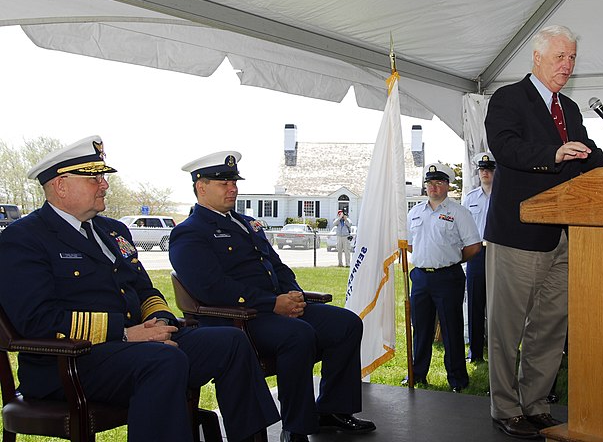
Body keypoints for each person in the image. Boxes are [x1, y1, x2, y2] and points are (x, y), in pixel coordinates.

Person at [0, 136, 277, 442]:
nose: (104, 185)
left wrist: (161, 323)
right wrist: (126, 334)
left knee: (231, 341)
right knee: (162, 362)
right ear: (61, 185)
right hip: (68, 363)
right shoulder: (24, 238)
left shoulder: (112, 230)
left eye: (102, 177)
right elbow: (37, 320)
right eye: (94, 177)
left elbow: (145, 290)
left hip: (133, 345)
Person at [169, 151, 375, 442]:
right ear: (200, 187)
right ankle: (297, 427)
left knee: (347, 324)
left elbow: (276, 265)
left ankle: (332, 409)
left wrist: (292, 293)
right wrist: (271, 303)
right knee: (297, 335)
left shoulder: (246, 223)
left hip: (276, 306)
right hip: (239, 317)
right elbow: (212, 288)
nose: (233, 188)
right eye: (223, 182)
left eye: (234, 182)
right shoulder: (189, 233)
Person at [483, 25, 603, 439]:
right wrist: (553, 153)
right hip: (518, 233)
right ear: (537, 58)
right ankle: (505, 407)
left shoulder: (571, 109)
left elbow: (589, 155)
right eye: (560, 56)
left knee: (550, 326)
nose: (567, 64)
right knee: (507, 328)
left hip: (563, 235)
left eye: (573, 58)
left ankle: (536, 403)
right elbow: (504, 148)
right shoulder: (508, 98)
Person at [405, 162, 482, 392]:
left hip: (448, 277)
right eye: (430, 183)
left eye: (439, 183)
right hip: (420, 278)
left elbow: (474, 246)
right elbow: (410, 244)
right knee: (420, 328)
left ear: (447, 186)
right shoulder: (415, 212)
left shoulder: (458, 212)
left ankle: (457, 378)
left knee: (452, 328)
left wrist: (450, 260)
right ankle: (417, 373)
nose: (434, 187)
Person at [462, 152, 494, 364]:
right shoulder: (471, 198)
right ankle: (475, 352)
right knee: (475, 303)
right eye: (482, 169)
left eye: (489, 169)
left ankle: (498, 350)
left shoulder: (505, 195)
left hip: (499, 252)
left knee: (498, 305)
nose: (485, 173)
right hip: (476, 253)